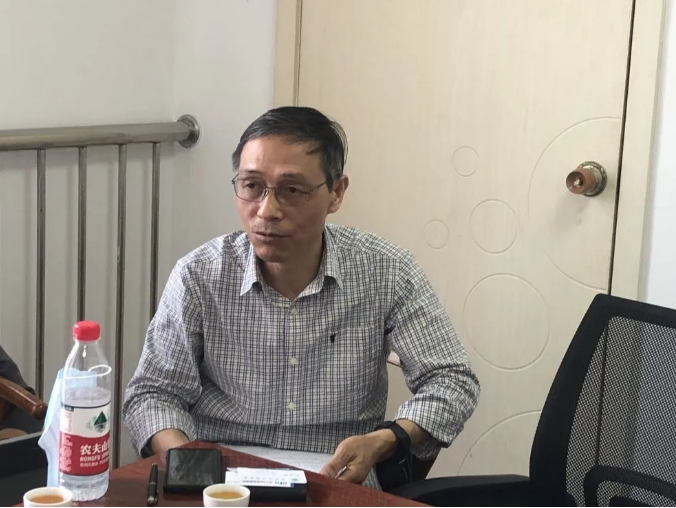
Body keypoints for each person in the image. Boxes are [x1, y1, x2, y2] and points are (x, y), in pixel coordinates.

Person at [123, 106, 480, 488]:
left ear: (336, 193)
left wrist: (384, 441)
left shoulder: (386, 271)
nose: (267, 211)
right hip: (219, 476)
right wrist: (191, 465)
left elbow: (452, 381)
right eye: (251, 186)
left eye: (292, 190)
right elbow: (152, 394)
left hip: (338, 475)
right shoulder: (199, 275)